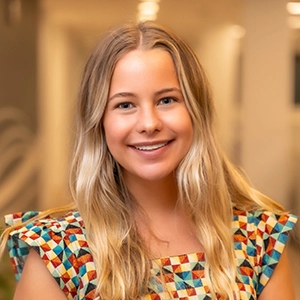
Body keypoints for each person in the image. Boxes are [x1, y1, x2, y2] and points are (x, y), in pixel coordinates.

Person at [0, 21, 298, 300]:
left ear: (197, 110)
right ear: (99, 122)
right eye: (125, 104)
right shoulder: (58, 251)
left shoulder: (260, 239)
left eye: (167, 100)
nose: (149, 123)